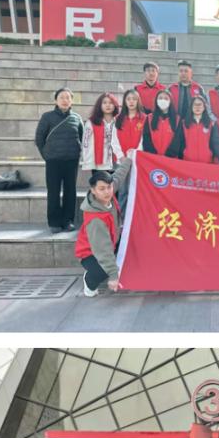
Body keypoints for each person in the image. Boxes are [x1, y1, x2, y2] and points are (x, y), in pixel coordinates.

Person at [35, 87, 85, 233]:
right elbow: (39, 138)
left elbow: (82, 137)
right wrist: (46, 155)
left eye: (68, 97)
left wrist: (77, 152)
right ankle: (54, 222)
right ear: (56, 100)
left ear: (72, 101)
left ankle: (68, 221)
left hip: (71, 160)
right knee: (53, 191)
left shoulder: (77, 118)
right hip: (53, 161)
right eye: (62, 97)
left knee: (70, 191)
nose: (65, 100)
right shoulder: (47, 117)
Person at [77, 168, 132, 298]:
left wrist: (129, 160)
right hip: (90, 252)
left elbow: (118, 177)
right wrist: (113, 276)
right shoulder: (95, 219)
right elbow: (103, 250)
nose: (107, 192)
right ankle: (89, 281)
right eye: (102, 189)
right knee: (104, 270)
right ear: (93, 190)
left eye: (109, 187)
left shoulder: (108, 195)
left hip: (112, 241)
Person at [172, 96, 216, 163]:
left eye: (200, 104)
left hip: (206, 162)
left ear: (204, 107)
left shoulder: (210, 124)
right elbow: (179, 143)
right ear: (191, 107)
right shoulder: (184, 124)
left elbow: (213, 144)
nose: (197, 107)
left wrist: (210, 154)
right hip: (188, 161)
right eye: (195, 104)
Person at [141, 89, 179, 157]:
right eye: (160, 98)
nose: (163, 100)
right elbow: (146, 138)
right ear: (156, 101)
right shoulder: (149, 118)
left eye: (166, 98)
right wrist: (154, 155)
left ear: (170, 101)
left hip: (171, 158)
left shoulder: (177, 119)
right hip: (153, 158)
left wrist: (169, 155)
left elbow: (178, 140)